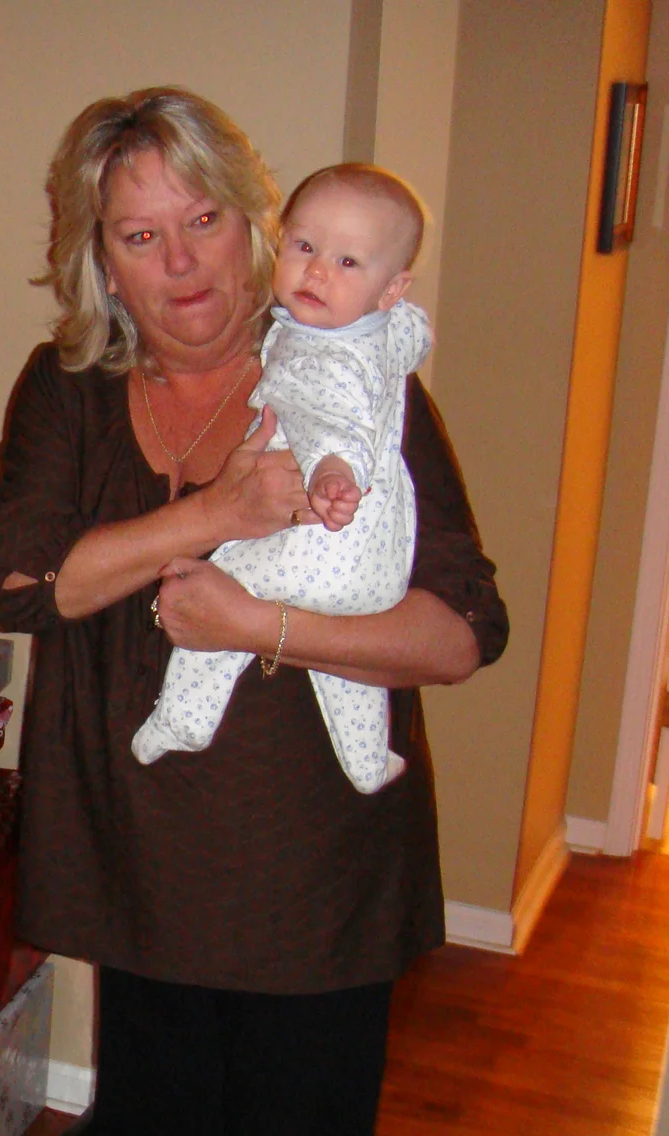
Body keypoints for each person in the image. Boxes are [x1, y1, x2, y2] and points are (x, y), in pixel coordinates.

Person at [0, 88, 507, 1136]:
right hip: (137, 853)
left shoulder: (358, 381)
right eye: (139, 236)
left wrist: (263, 625)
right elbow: (23, 581)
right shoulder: (69, 390)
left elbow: (459, 632)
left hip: (309, 873)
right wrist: (216, 513)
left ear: (255, 224)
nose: (182, 263)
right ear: (99, 258)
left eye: (203, 219)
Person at [132, 163, 432, 794]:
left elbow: (330, 421)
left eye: (347, 262)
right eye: (304, 247)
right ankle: (366, 760)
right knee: (343, 665)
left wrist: (332, 471)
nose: (317, 272)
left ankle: (183, 717)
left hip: (320, 537)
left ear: (390, 287)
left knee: (212, 593)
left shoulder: (311, 351)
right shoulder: (391, 333)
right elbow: (403, 352)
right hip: (378, 562)